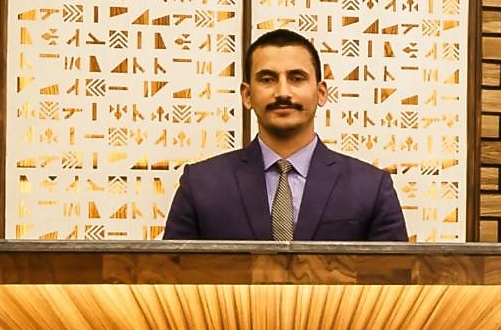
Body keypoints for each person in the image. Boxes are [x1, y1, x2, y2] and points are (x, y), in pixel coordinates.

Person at [162, 28, 409, 241]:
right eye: (267, 79)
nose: (282, 92)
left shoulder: (371, 187)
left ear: (321, 93)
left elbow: (395, 278)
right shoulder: (201, 184)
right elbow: (169, 277)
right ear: (247, 95)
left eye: (296, 78)